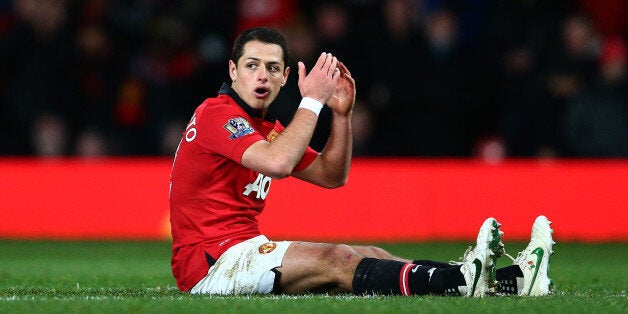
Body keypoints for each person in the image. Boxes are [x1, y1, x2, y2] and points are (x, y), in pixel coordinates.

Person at [168, 26, 555, 297]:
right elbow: (278, 163)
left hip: (242, 249)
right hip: (210, 263)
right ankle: (461, 282)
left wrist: (340, 115)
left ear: (285, 77)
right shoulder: (216, 113)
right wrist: (313, 101)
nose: (261, 76)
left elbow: (332, 176)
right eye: (251, 65)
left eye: (271, 67)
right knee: (337, 259)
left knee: (371, 254)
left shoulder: (265, 126)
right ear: (233, 71)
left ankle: (503, 281)